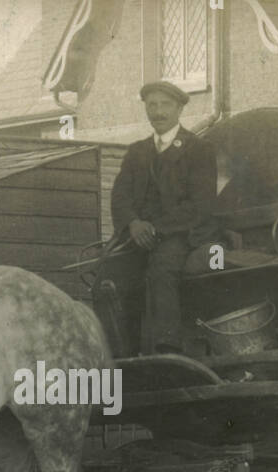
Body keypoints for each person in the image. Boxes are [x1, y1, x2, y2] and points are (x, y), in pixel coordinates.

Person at [105, 80, 218, 355]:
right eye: (151, 105)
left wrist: (155, 229)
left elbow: (201, 205)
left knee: (162, 270)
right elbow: (120, 197)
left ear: (179, 109)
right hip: (138, 234)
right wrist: (133, 224)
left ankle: (168, 348)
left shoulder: (198, 149)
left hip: (181, 234)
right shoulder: (137, 152)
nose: (158, 112)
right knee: (109, 275)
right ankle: (123, 351)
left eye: (165, 105)